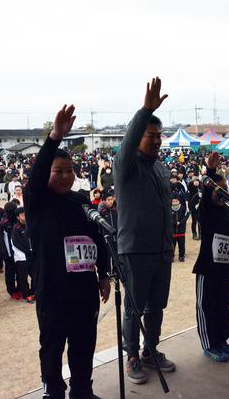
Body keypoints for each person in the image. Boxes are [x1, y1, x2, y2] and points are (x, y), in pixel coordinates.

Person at [25, 104, 111, 399]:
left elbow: (97, 238)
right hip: (53, 290)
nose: (65, 176)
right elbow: (36, 177)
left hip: (84, 290)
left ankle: (82, 391)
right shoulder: (38, 202)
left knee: (84, 343)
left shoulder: (80, 201)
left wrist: (104, 274)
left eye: (69, 171)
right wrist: (54, 138)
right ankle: (54, 392)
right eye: (58, 171)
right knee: (52, 346)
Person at [113, 77, 176, 385]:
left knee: (156, 307)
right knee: (134, 309)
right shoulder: (127, 165)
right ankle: (132, 356)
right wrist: (145, 111)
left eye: (158, 135)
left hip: (162, 250)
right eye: (149, 135)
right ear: (138, 137)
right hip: (135, 250)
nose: (155, 140)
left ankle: (151, 351)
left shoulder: (161, 168)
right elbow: (126, 146)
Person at [194, 152, 229, 362]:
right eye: (218, 190)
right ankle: (209, 344)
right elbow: (206, 191)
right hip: (207, 267)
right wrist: (211, 172)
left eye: (225, 190)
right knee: (207, 306)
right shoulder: (207, 211)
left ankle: (222, 341)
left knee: (222, 305)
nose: (222, 194)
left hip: (223, 268)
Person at [171, 196, 189, 262]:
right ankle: (171, 256)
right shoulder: (169, 209)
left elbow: (187, 215)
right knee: (172, 245)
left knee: (181, 245)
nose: (174, 202)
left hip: (181, 230)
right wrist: (175, 223)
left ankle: (181, 256)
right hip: (172, 231)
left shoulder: (183, 208)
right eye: (173, 201)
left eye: (176, 201)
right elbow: (168, 219)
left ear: (179, 201)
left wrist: (181, 222)